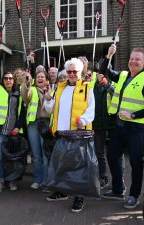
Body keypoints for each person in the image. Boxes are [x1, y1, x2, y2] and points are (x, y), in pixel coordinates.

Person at [100, 44, 144, 209]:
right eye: (132, 58)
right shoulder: (124, 75)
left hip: (136, 129)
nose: (134, 61)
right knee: (112, 157)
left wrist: (133, 115)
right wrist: (109, 55)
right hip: (118, 127)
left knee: (135, 163)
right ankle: (118, 189)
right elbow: (104, 72)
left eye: (138, 59)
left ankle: (134, 195)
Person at [44, 58, 95, 213]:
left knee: (79, 167)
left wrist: (83, 120)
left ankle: (79, 196)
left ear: (81, 72)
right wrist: (47, 100)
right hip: (62, 133)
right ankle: (62, 191)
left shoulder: (87, 88)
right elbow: (50, 109)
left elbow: (92, 110)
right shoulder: (59, 88)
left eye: (75, 71)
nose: (72, 74)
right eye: (69, 71)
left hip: (79, 134)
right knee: (63, 164)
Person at [0, 47, 26, 192]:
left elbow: (21, 114)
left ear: (14, 81)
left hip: (13, 132)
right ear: (3, 81)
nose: (8, 80)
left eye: (11, 78)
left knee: (11, 158)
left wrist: (17, 126)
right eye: (6, 78)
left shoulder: (18, 94)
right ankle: (1, 180)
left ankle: (12, 181)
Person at [21, 70, 51, 190]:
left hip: (46, 123)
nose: (40, 78)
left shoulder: (51, 90)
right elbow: (25, 97)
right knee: (36, 154)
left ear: (46, 79)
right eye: (38, 76)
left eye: (42, 77)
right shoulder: (31, 89)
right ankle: (37, 180)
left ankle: (47, 181)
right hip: (33, 124)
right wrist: (27, 84)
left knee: (45, 154)